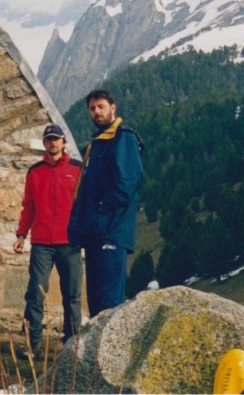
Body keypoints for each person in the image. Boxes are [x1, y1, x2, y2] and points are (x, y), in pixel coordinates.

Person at [68, 89, 144, 316]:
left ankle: (111, 350)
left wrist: (100, 212)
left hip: (111, 232)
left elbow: (127, 183)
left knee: (110, 305)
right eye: (92, 108)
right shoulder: (98, 143)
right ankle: (97, 350)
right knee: (96, 303)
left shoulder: (124, 137)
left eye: (101, 106)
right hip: (95, 234)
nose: (96, 112)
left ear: (113, 107)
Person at [13, 123, 83, 356]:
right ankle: (33, 347)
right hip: (42, 243)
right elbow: (29, 207)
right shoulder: (35, 171)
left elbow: (83, 206)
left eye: (56, 139)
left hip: (70, 242)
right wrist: (21, 234)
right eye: (49, 139)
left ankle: (71, 347)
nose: (53, 142)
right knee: (35, 292)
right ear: (44, 143)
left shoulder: (78, 169)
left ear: (64, 143)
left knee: (72, 295)